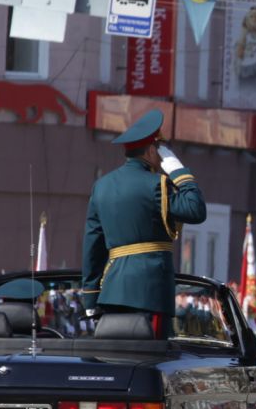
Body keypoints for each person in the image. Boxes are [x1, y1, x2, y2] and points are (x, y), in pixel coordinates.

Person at [81, 109, 208, 336]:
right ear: (151, 150)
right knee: (150, 363)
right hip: (151, 294)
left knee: (115, 363)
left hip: (111, 293)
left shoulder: (101, 186)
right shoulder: (157, 184)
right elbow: (196, 210)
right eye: (160, 152)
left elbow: (93, 244)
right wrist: (179, 172)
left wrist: (90, 297)